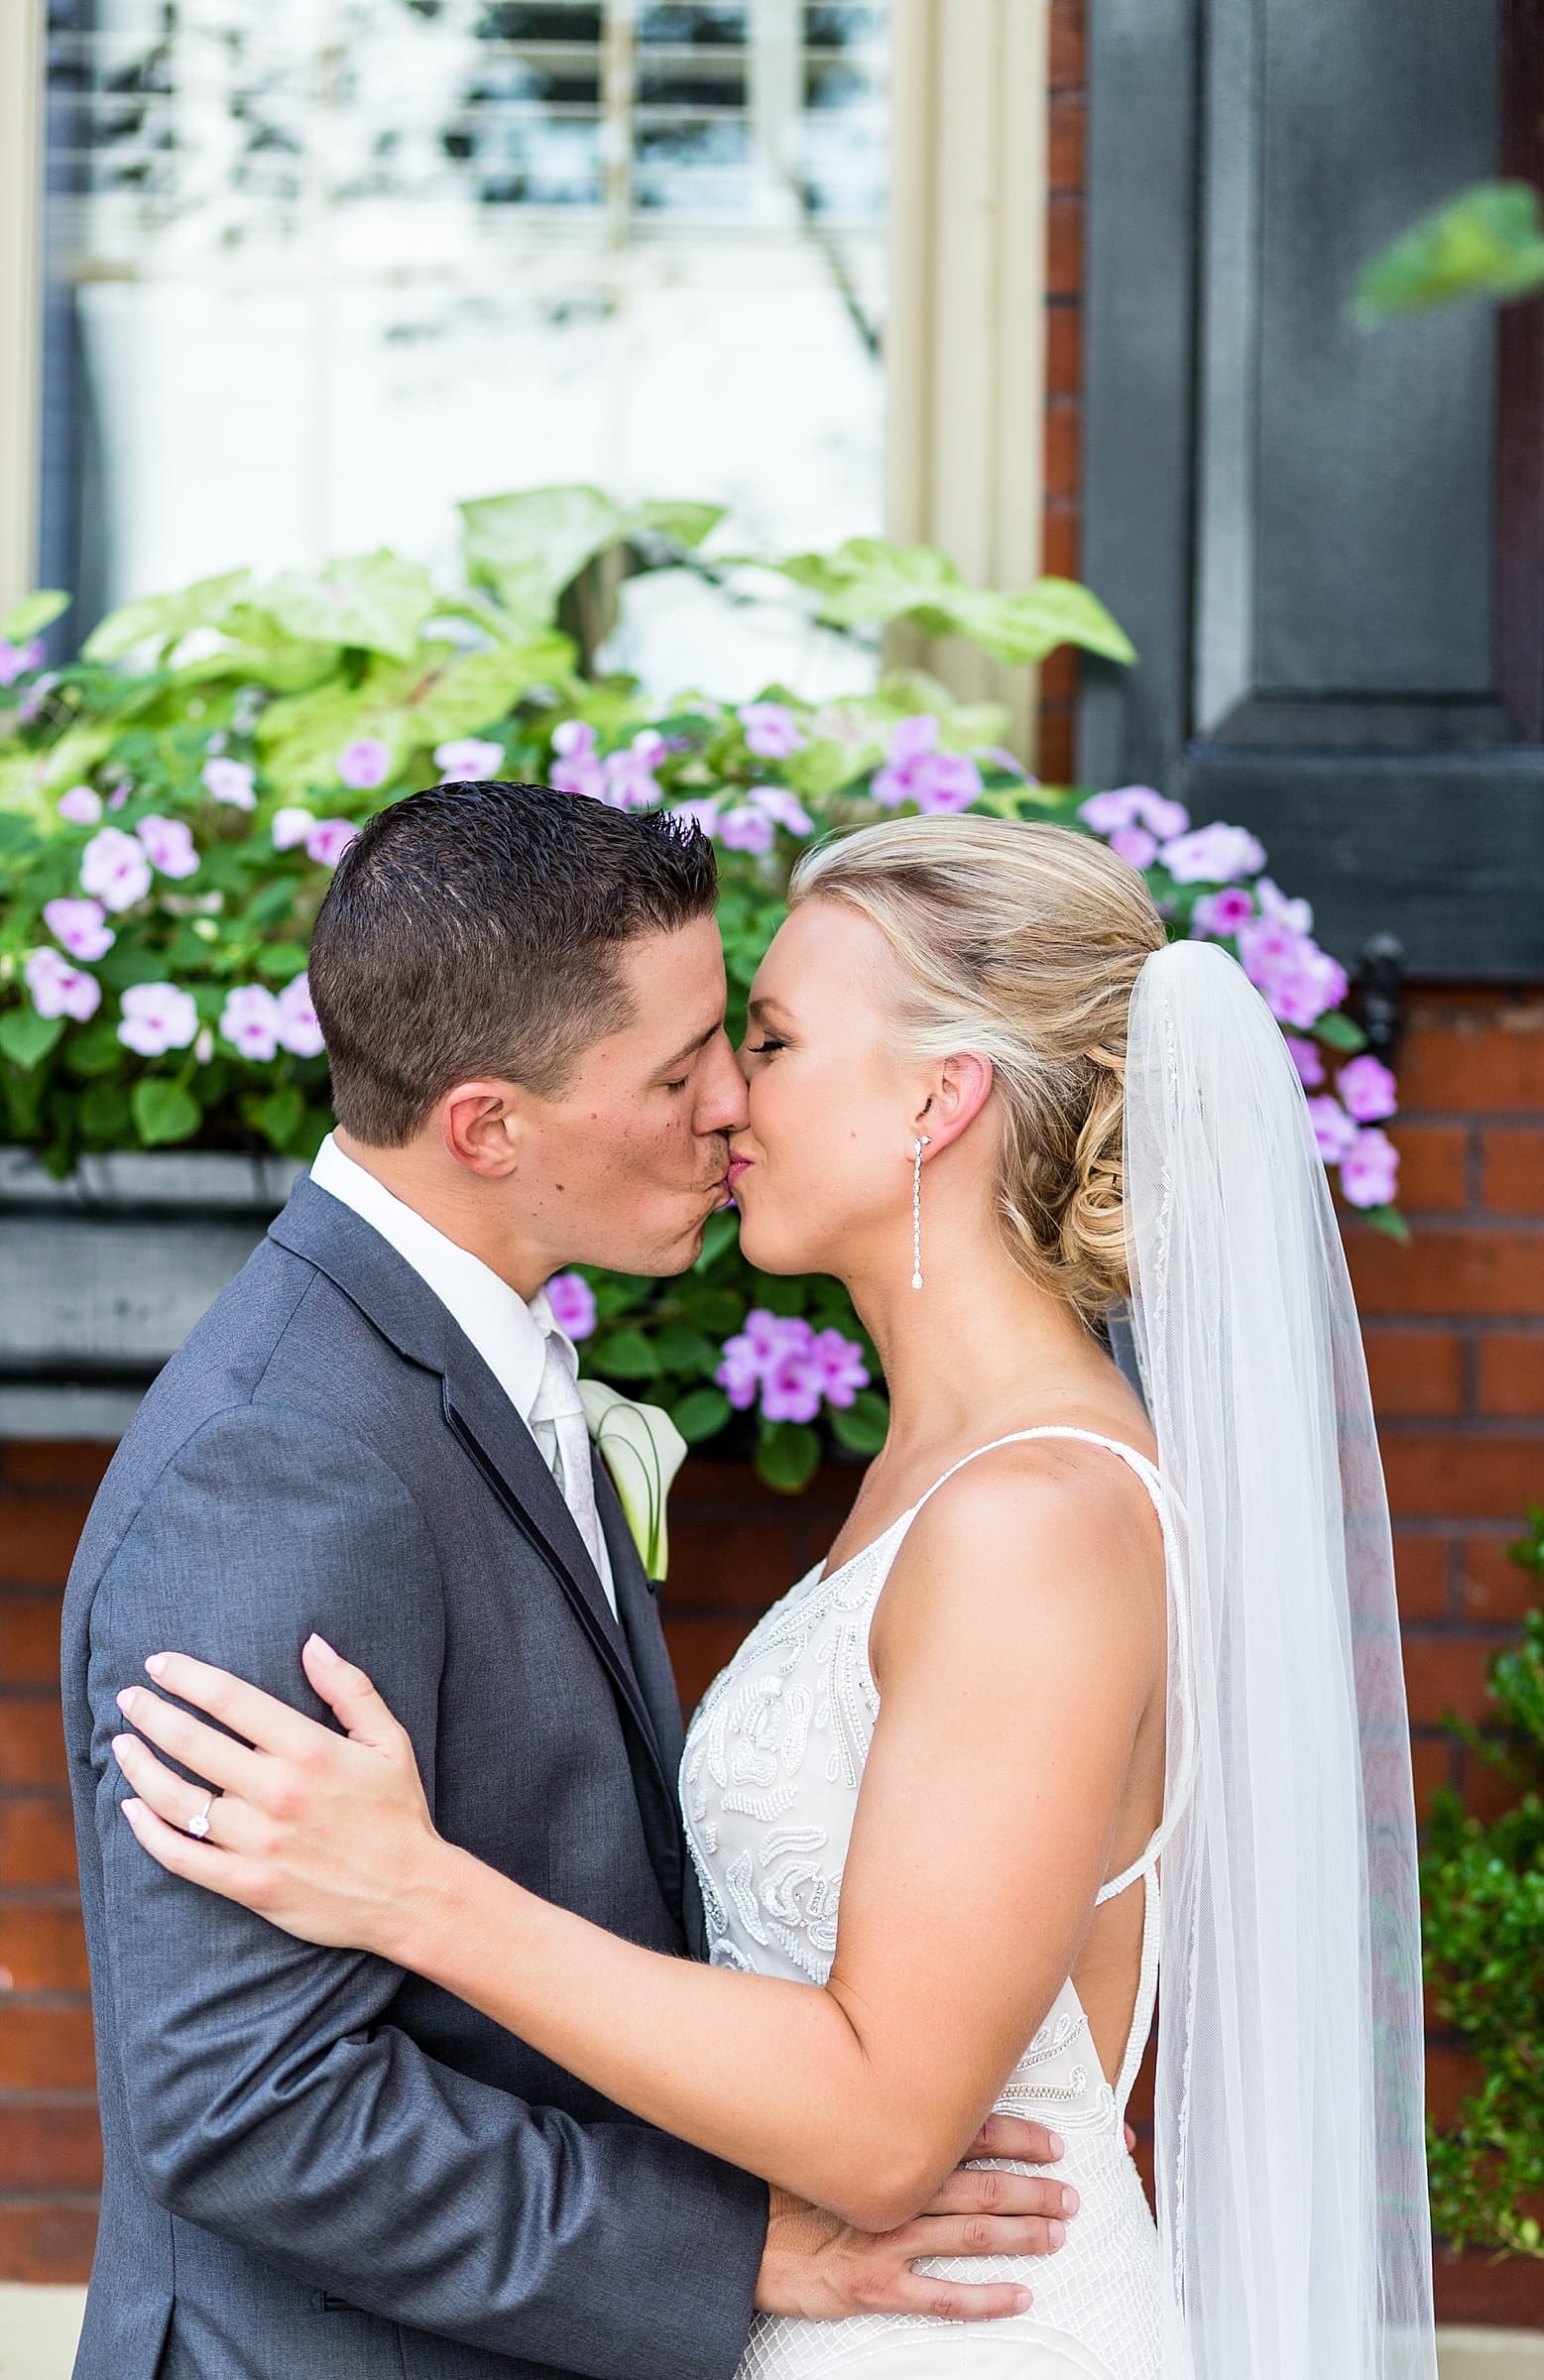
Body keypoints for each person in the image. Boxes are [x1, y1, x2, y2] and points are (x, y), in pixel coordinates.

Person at [109, 812, 1439, 2377]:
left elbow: (886, 2121)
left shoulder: (1035, 1518)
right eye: (717, 1054)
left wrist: (419, 1890)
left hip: (962, 2329)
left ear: (942, 1100)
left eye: (776, 1040)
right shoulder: (935, 1471)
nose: (731, 1100)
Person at [61, 784, 1080, 2380]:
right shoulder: (281, 1467)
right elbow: (250, 2101)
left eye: (739, 1046)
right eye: (679, 1072)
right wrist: (736, 2250)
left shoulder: (458, 1369)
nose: (729, 1106)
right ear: (489, 1126)